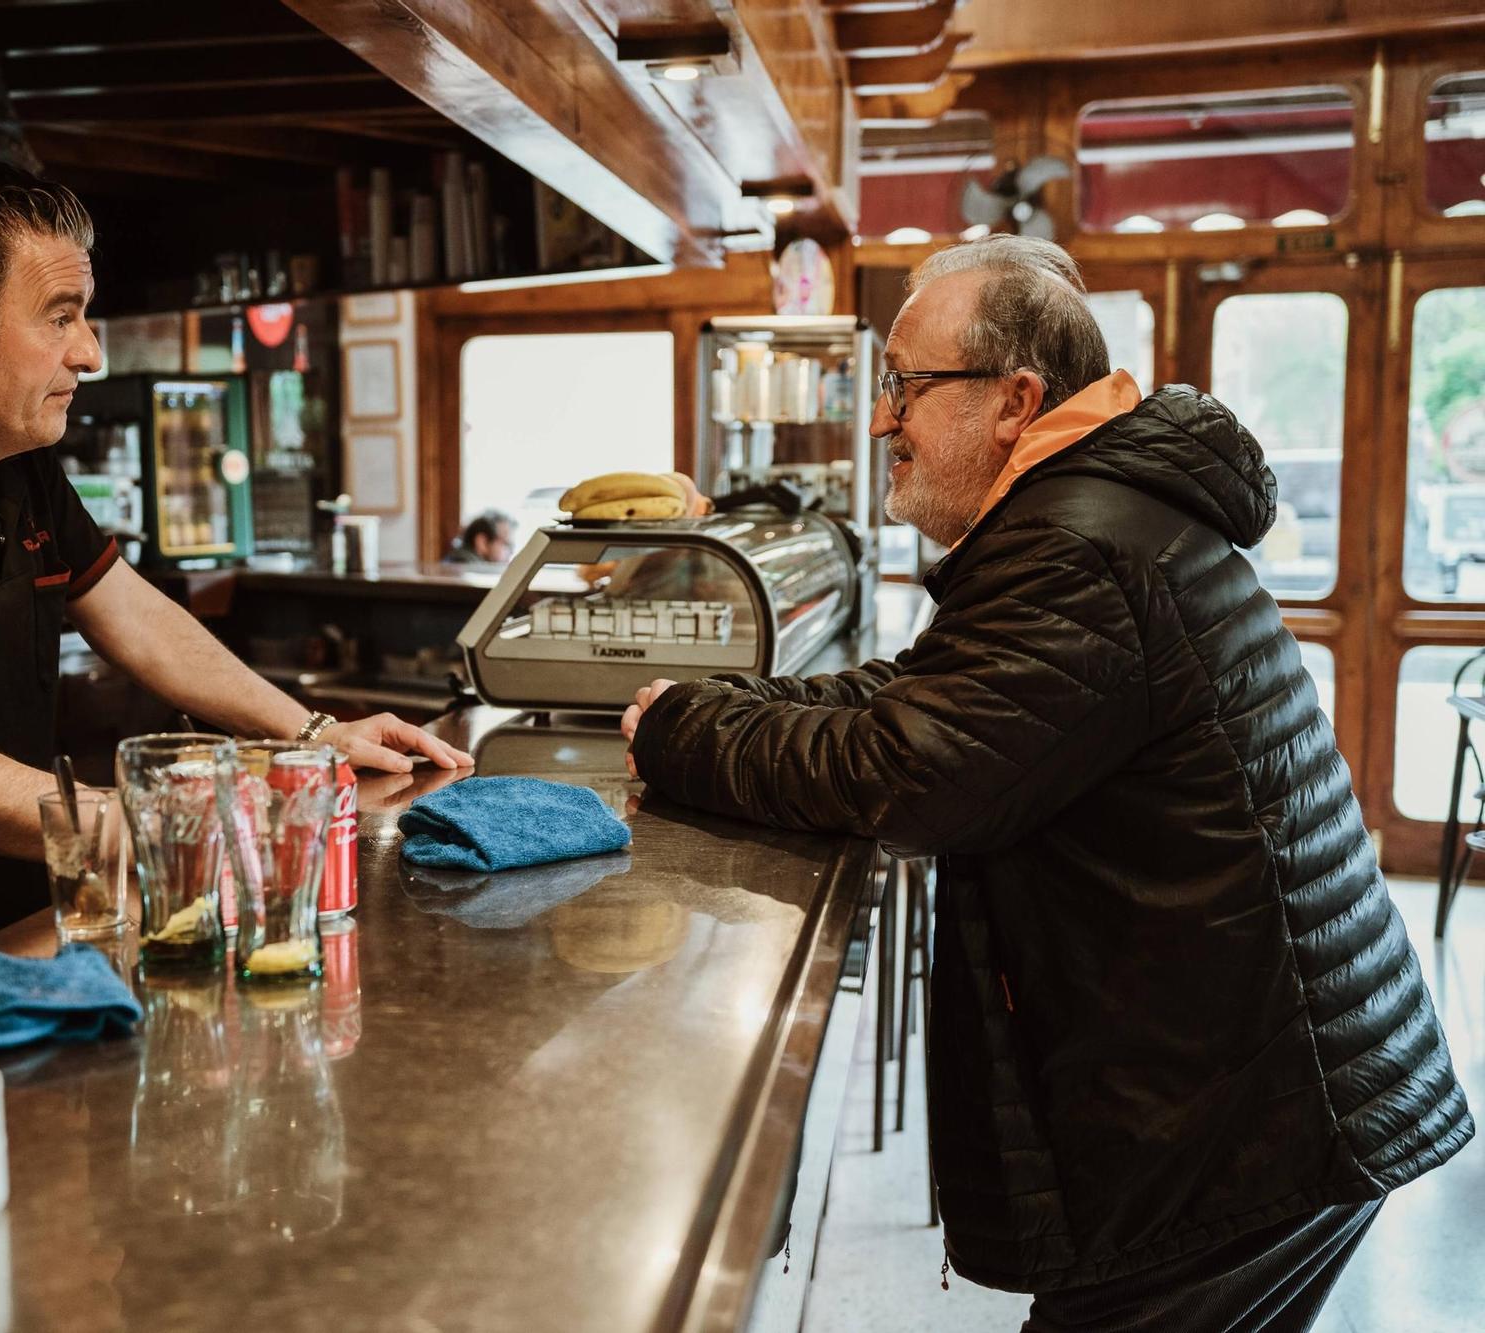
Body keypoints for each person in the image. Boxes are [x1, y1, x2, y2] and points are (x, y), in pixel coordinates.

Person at [621, 235, 1472, 1330]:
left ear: (1014, 400)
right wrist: (729, 702)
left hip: (1251, 1118)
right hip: (1256, 1085)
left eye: (907, 386)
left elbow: (909, 774)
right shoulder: (1082, 509)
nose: (884, 419)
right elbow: (925, 697)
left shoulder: (1076, 542)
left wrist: (683, 732)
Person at [0, 158, 470, 993]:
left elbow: (134, 615)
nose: (90, 352)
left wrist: (310, 734)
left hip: (12, 940)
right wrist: (120, 824)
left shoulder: (16, 465)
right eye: (60, 317)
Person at [446, 510, 514, 564]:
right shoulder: (468, 569)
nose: (510, 552)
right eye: (505, 543)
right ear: (482, 542)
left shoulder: (458, 560)